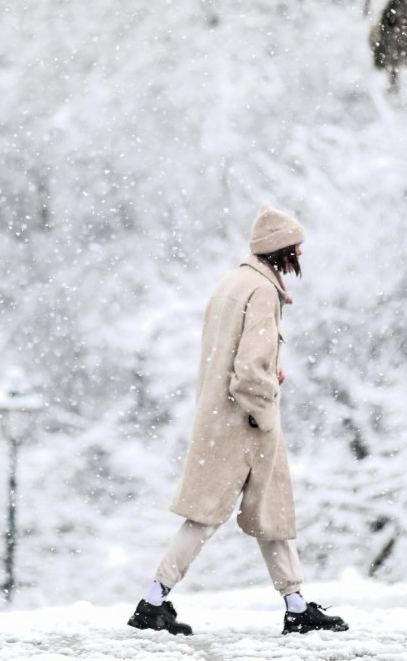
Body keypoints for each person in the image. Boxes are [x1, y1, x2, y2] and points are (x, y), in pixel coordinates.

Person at [127, 203, 349, 636]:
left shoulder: (233, 283)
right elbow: (248, 372)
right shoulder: (264, 291)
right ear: (280, 248)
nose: (300, 254)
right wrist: (266, 405)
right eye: (296, 246)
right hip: (246, 423)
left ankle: (293, 603)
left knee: (257, 513)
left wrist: (264, 374)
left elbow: (228, 357)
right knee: (226, 514)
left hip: (217, 418)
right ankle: (155, 601)